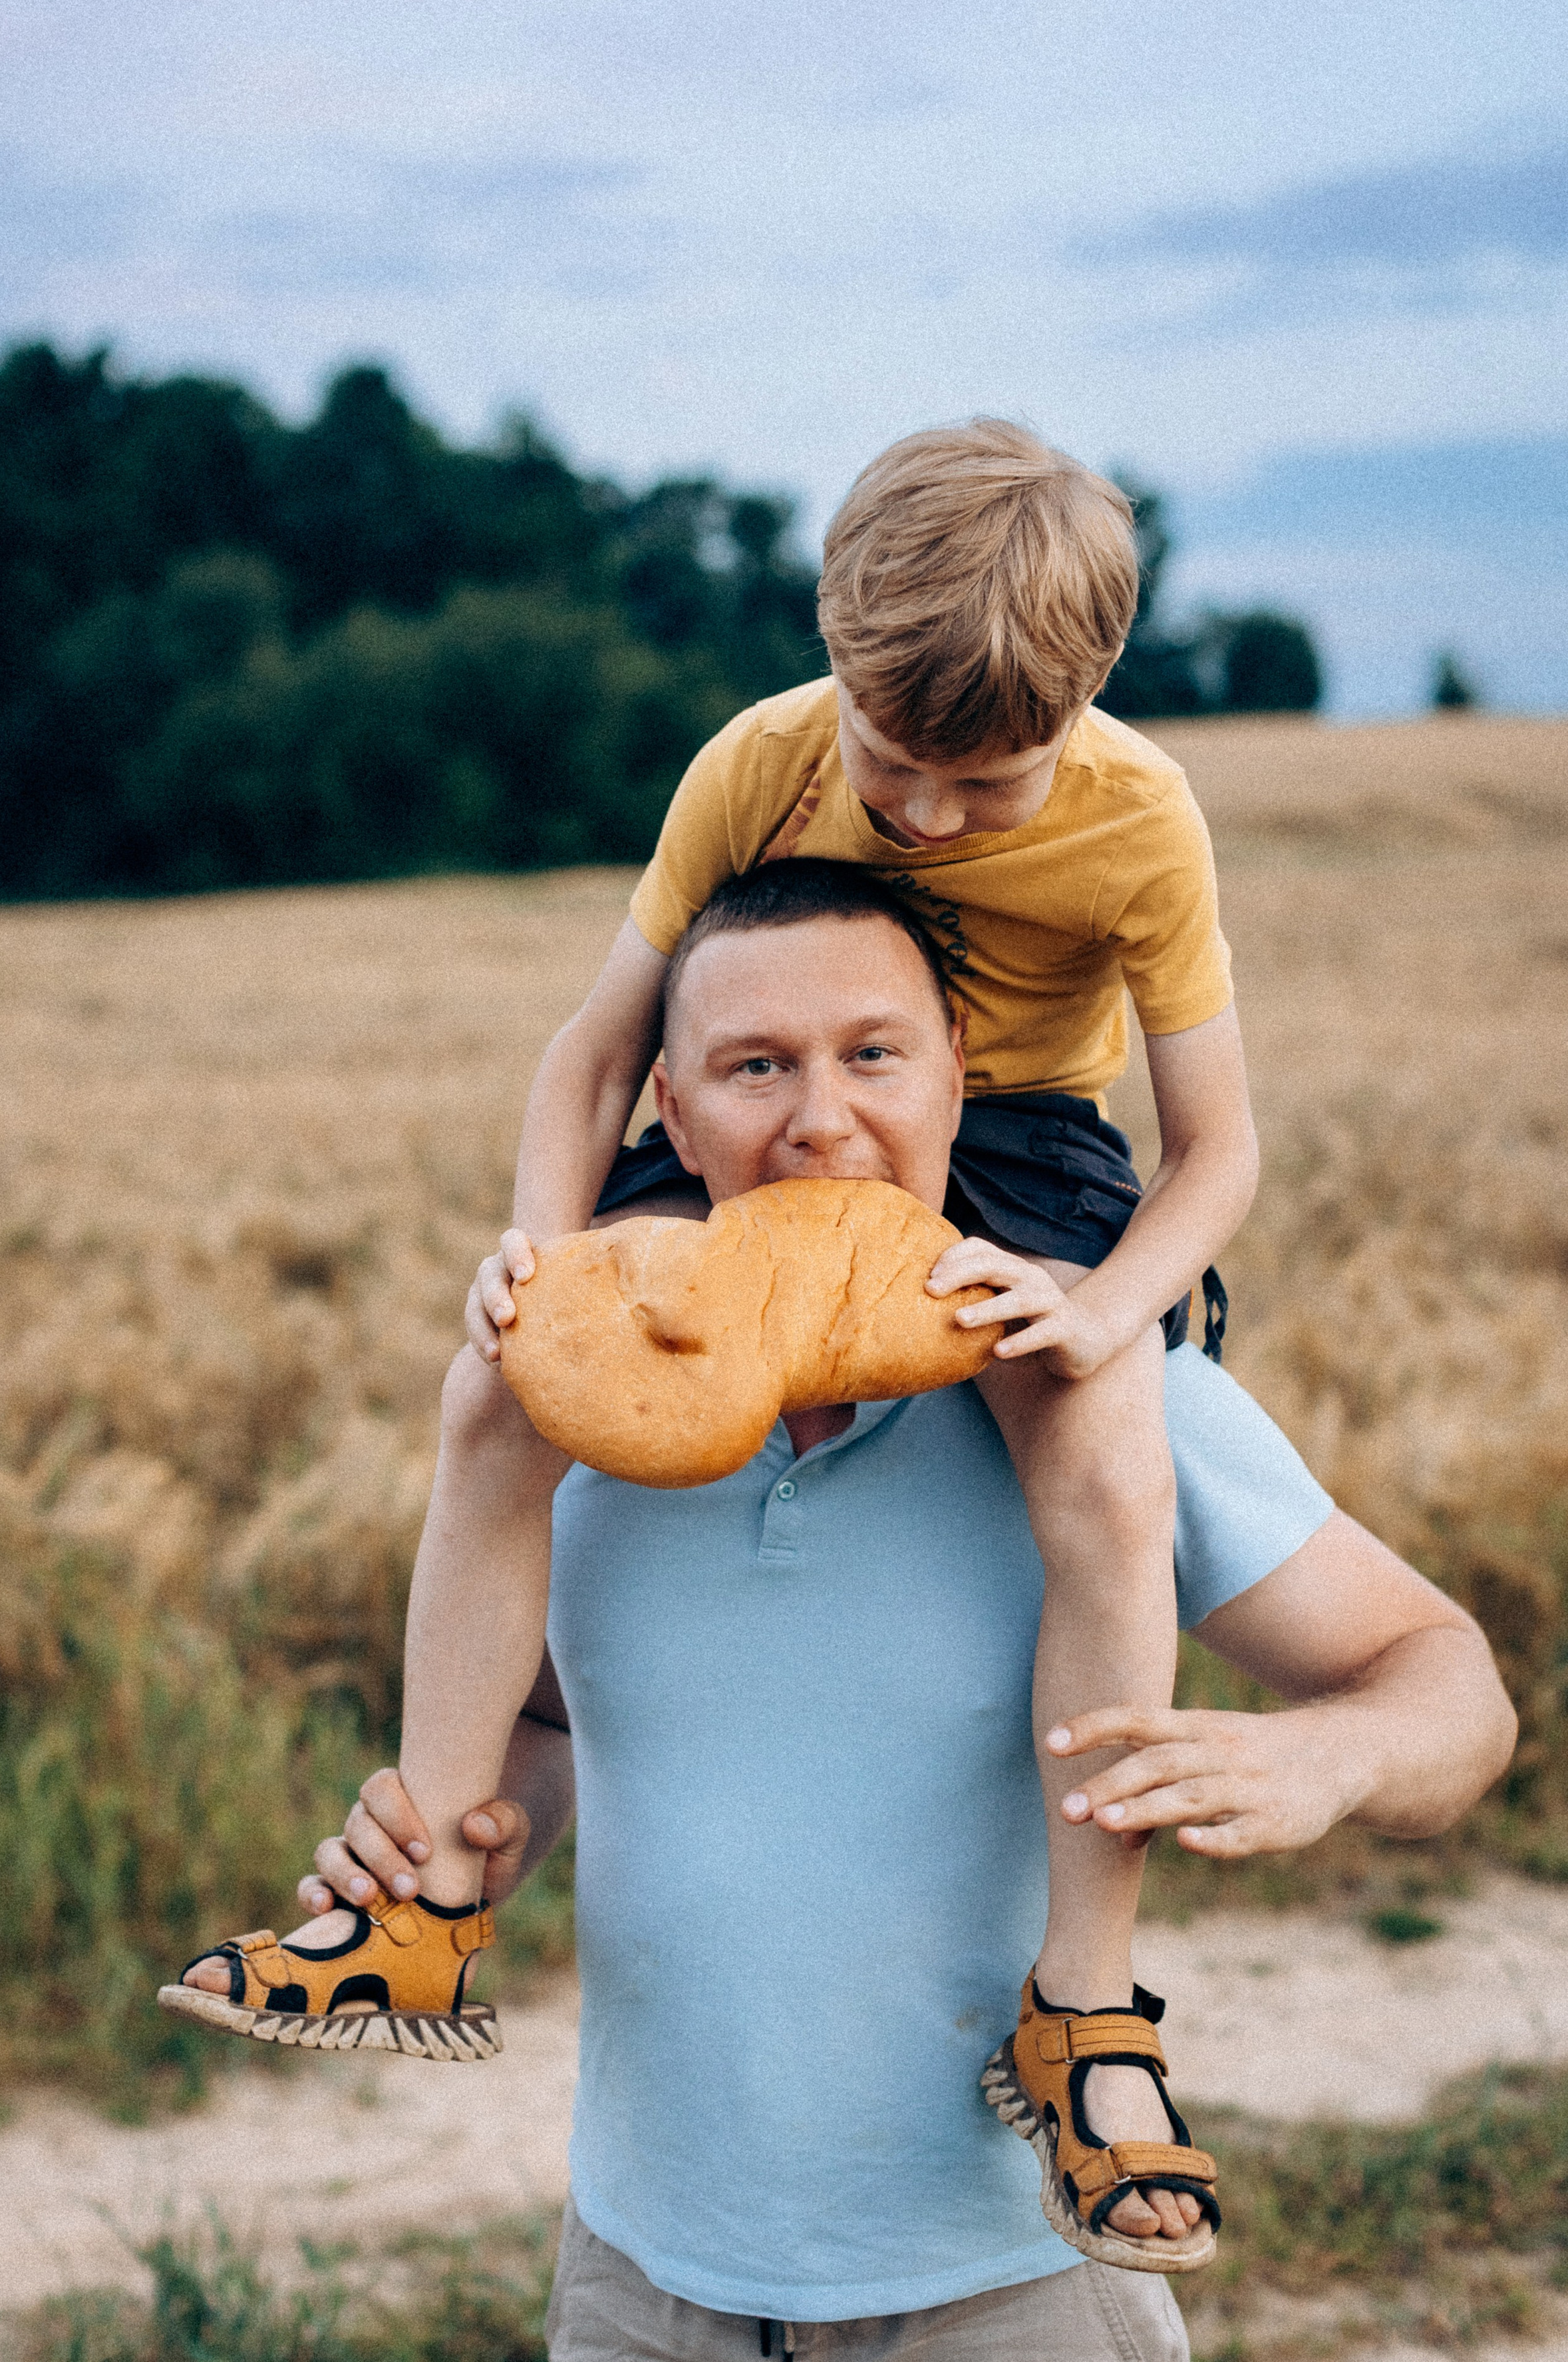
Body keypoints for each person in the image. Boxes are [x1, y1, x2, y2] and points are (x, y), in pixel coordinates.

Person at [178, 418, 1255, 2248]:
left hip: (1022, 1148)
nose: (920, 818)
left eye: (982, 793)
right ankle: (427, 1889)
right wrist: (544, 1258)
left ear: (1084, 705)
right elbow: (602, 1049)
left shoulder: (1142, 819)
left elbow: (1217, 1148)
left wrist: (1099, 1311)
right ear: (831, 659)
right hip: (758, 1116)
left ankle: (1084, 2009)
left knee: (1110, 1469)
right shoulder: (755, 761)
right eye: (891, 764)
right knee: (497, 1396)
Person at [269, 875, 1514, 2359]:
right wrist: (469, 1842)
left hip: (1015, 2286)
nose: (818, 1120)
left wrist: (1331, 1758)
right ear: (665, 1109)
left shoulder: (1103, 1405)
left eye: (873, 1054)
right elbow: (552, 1727)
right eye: (754, 1066)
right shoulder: (583, 1416)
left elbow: (1452, 1689)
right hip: (640, 2281)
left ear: (957, 1072)